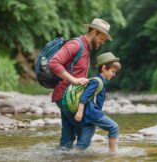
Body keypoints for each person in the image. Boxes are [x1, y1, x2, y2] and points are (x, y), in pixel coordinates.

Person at [48, 18, 113, 150]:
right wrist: (74, 80)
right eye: (102, 38)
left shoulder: (86, 48)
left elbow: (75, 71)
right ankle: (78, 157)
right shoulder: (76, 45)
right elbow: (53, 63)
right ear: (94, 31)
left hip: (67, 97)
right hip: (67, 97)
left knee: (67, 138)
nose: (102, 42)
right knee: (87, 128)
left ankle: (61, 157)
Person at [74, 52, 121, 154]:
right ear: (104, 68)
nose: (114, 74)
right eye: (113, 71)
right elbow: (84, 96)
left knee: (84, 144)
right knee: (114, 127)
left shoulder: (99, 81)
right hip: (92, 113)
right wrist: (79, 112)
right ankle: (113, 153)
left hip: (88, 116)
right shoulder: (97, 81)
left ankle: (70, 156)